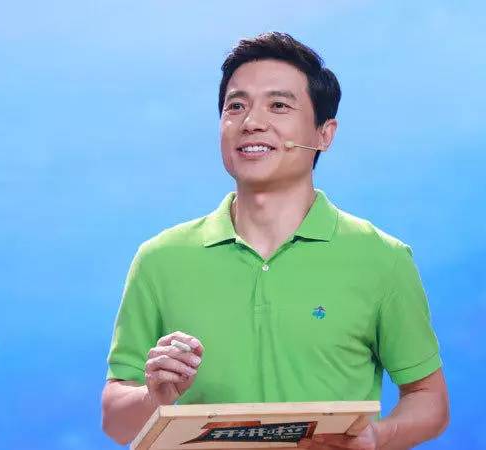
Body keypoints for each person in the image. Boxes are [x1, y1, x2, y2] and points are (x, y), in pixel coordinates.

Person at [101, 31, 449, 449]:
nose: (251, 123)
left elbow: (428, 397)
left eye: (279, 105)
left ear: (324, 134)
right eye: (236, 106)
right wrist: (155, 398)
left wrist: (378, 437)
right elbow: (115, 422)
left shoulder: (382, 258)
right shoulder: (161, 259)